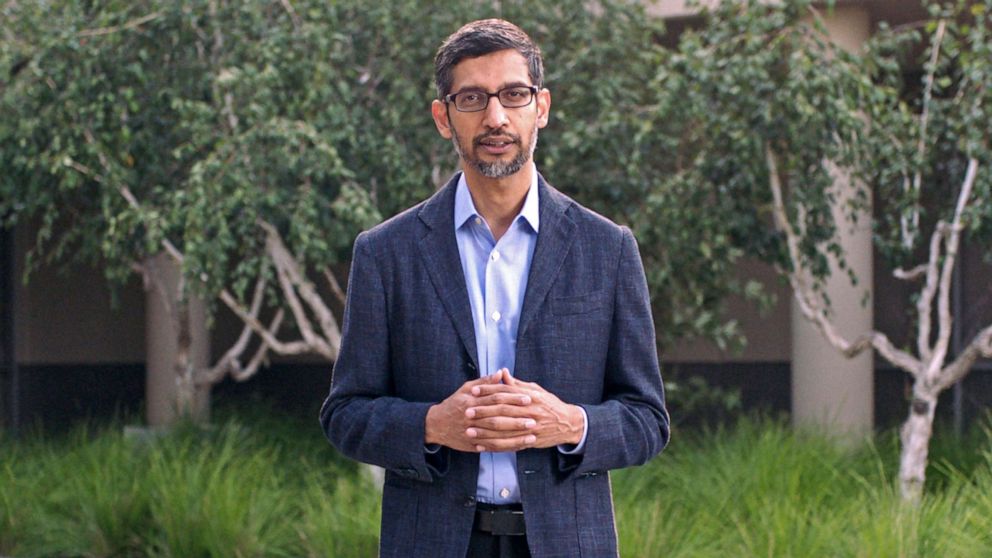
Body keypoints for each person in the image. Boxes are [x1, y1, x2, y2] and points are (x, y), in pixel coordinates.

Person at [320, 18, 669, 558]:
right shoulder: (386, 252)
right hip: (430, 543)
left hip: (567, 544)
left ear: (542, 107)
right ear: (443, 117)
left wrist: (569, 423)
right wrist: (433, 425)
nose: (495, 116)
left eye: (513, 94)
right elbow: (344, 415)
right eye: (472, 98)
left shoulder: (607, 249)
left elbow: (647, 420)